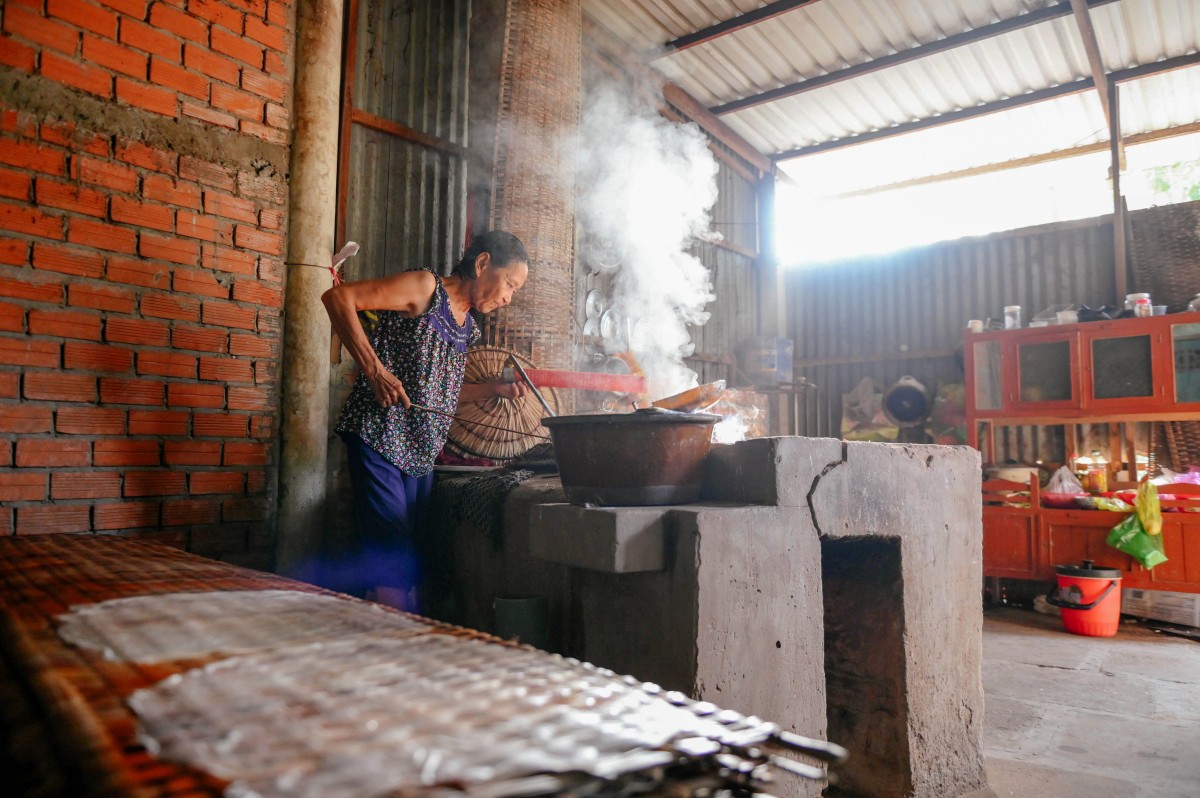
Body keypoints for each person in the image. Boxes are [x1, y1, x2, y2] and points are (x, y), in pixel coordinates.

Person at [321, 231, 530, 611]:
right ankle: (404, 656)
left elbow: (438, 394)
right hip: (380, 436)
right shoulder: (425, 287)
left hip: (419, 454)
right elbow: (338, 297)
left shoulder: (468, 326)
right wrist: (375, 371)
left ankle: (375, 642)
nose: (508, 297)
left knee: (410, 561)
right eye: (510, 284)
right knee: (394, 556)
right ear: (483, 264)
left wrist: (491, 392)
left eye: (514, 291)